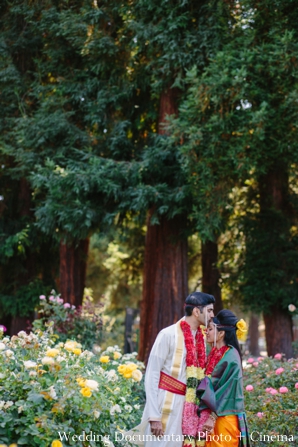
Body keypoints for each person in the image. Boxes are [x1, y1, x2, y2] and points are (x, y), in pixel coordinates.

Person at [126, 292, 215, 447]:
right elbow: (152, 374)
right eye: (209, 311)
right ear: (196, 311)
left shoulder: (200, 339)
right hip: (165, 405)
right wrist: (154, 416)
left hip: (187, 409)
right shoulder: (167, 335)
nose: (212, 315)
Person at [196, 310, 250, 447]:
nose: (206, 332)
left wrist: (213, 417)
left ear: (221, 333)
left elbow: (228, 391)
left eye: (210, 329)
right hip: (212, 416)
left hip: (224, 417)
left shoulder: (231, 356)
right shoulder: (215, 353)